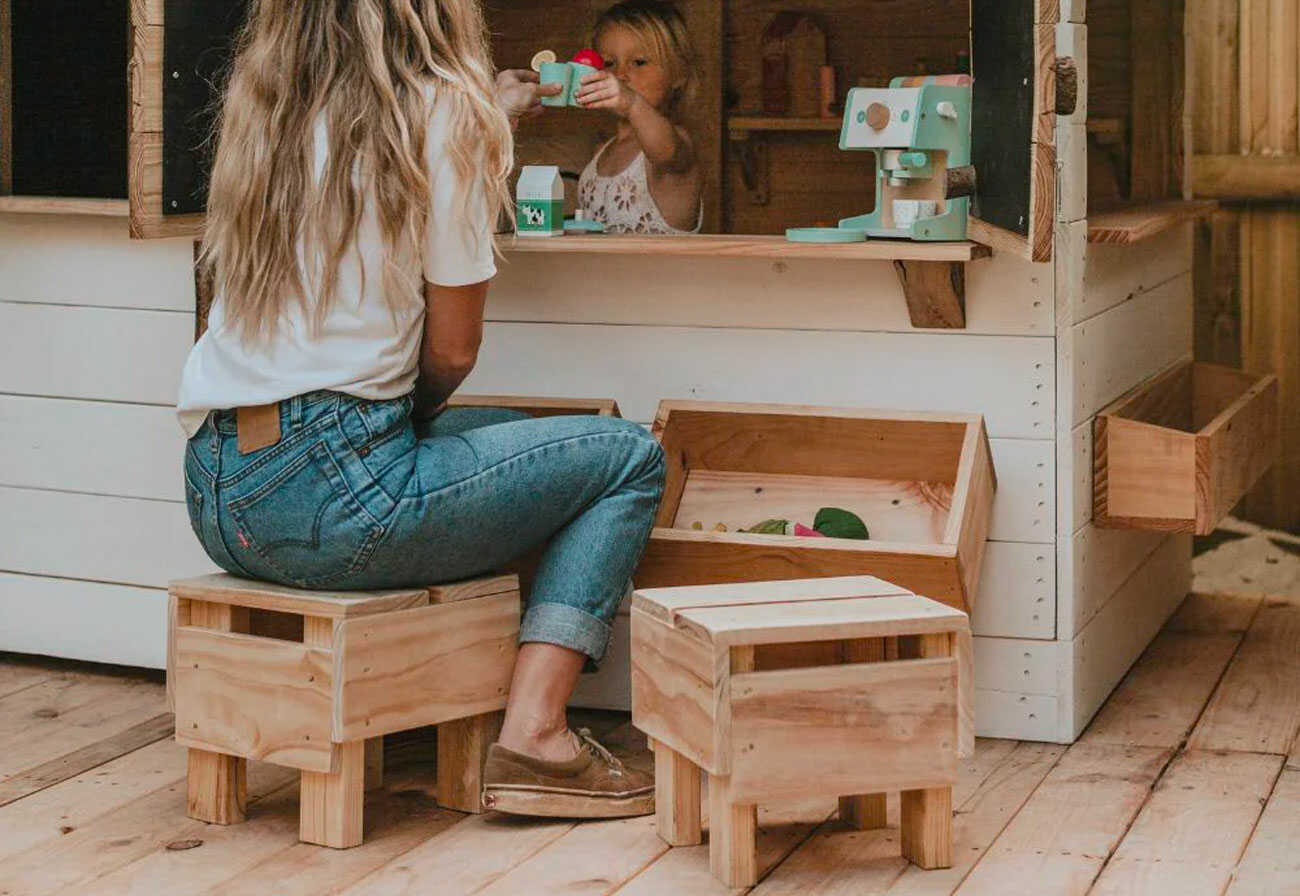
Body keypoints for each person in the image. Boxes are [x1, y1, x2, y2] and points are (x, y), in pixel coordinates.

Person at [176, 0, 664, 818]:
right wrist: (479, 127)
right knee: (625, 457)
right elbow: (450, 353)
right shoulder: (448, 114)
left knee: (522, 440)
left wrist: (488, 122)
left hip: (218, 492)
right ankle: (536, 738)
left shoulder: (268, 107)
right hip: (336, 500)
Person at [574, 0, 703, 234]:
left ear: (679, 74)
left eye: (639, 62)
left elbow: (665, 151)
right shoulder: (601, 151)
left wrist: (632, 102)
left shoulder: (677, 143)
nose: (620, 74)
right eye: (608, 63)